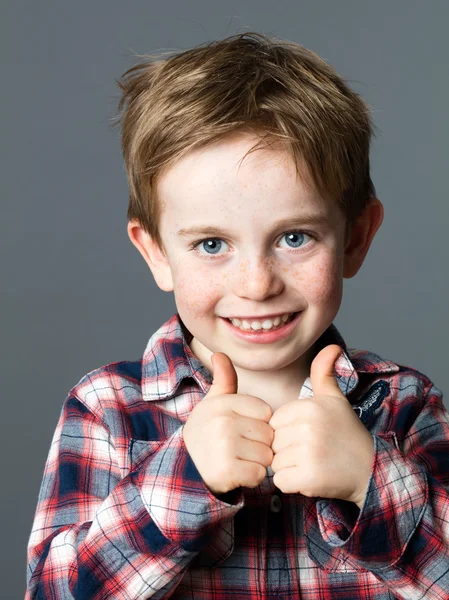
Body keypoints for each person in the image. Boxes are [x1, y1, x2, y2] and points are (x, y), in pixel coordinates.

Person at [25, 32, 448, 599]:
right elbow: (53, 591)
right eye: (210, 244)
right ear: (155, 253)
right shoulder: (108, 410)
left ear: (355, 238)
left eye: (295, 237)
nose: (257, 284)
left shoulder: (403, 406)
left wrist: (369, 481)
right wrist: (181, 479)